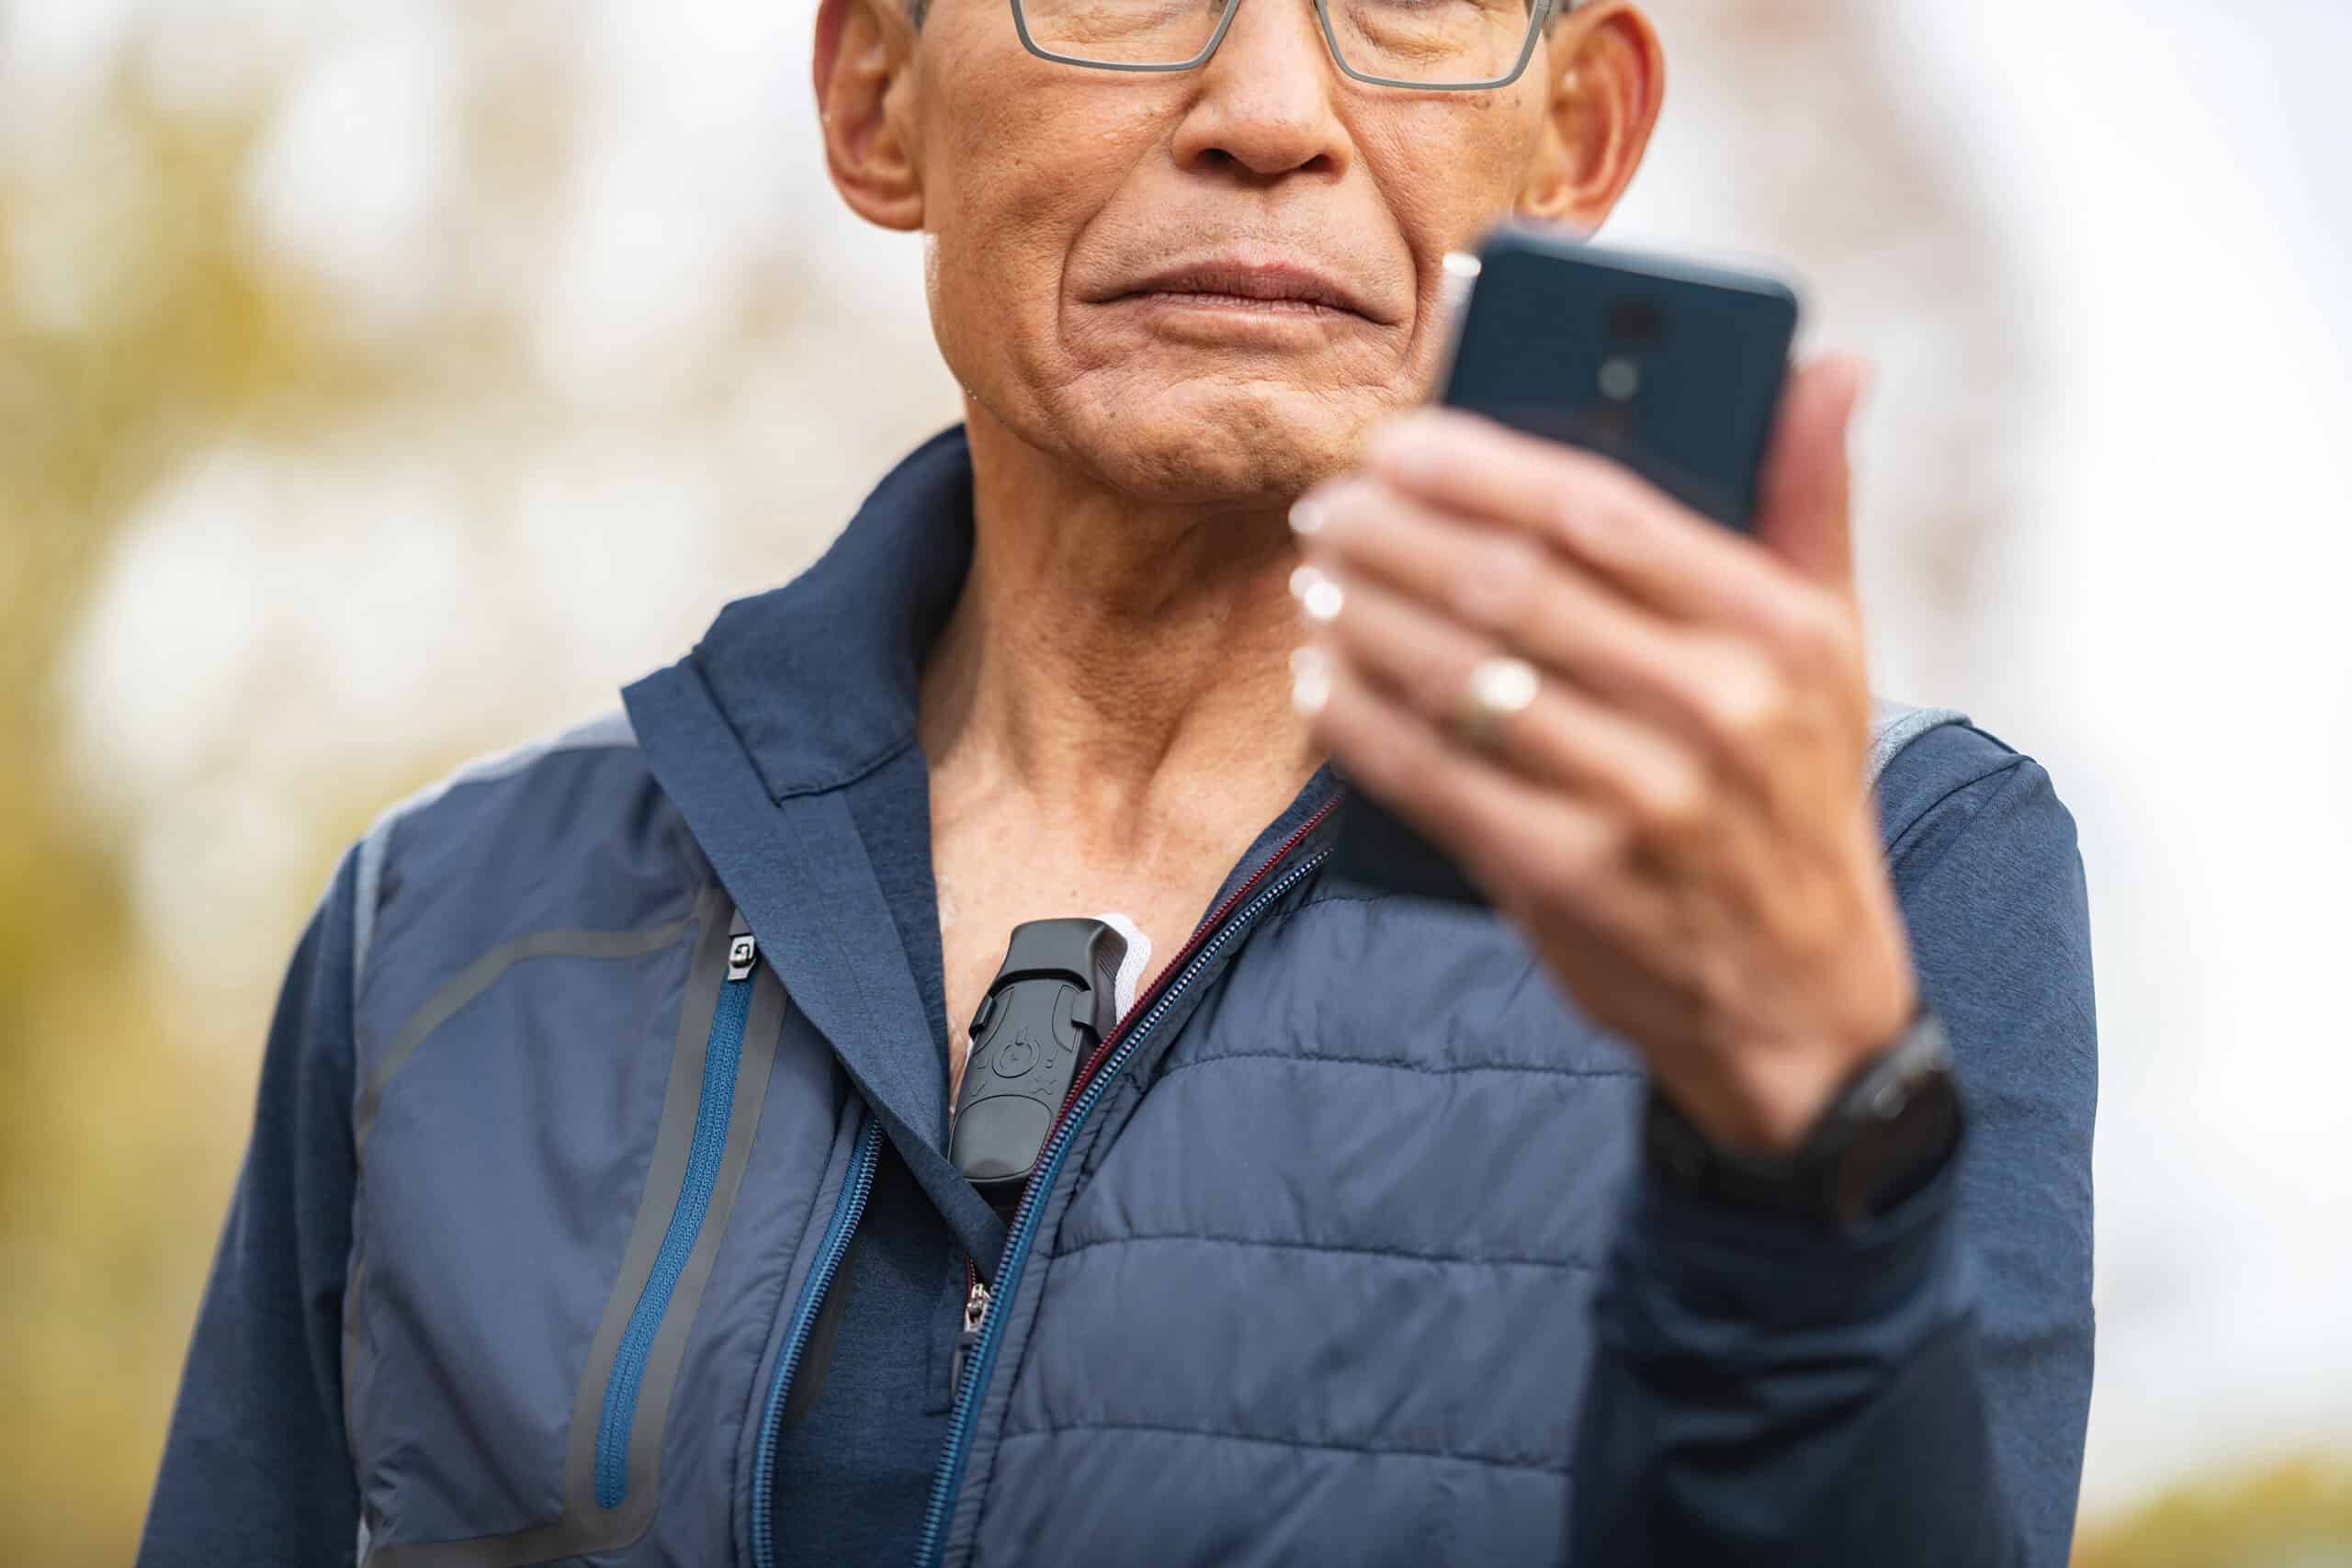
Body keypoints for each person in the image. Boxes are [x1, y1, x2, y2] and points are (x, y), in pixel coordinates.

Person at [138, 0, 2097, 1562]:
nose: (1264, 106)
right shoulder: (450, 918)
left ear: (1572, 133)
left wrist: (1796, 1133)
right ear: (874, 101)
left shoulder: (1883, 873)